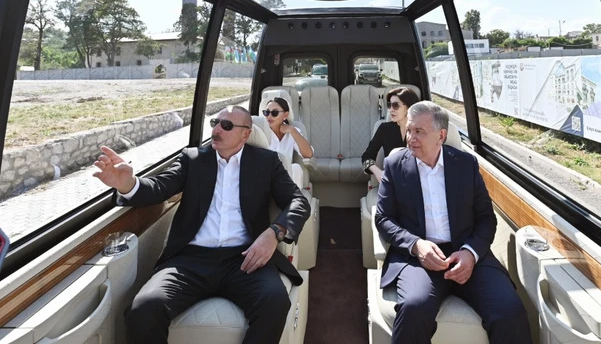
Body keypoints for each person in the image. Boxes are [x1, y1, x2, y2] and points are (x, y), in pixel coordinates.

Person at [93, 105, 310, 344]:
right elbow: (159, 187)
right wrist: (127, 184)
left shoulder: (267, 162)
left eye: (226, 126)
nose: (217, 130)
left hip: (245, 258)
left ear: (245, 134)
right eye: (215, 123)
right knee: (144, 308)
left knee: (275, 301)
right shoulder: (193, 159)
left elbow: (297, 201)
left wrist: (274, 233)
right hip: (190, 261)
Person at [375, 101, 532, 344]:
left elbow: (486, 218)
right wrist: (416, 245)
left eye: (419, 132)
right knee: (414, 308)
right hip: (418, 259)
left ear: (441, 135)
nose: (410, 138)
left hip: (466, 252)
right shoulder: (395, 166)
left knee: (510, 311)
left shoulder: (465, 164)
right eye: (409, 130)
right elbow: (383, 218)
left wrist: (470, 253)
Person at [361, 87, 420, 183]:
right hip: (391, 182)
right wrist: (379, 173)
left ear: (409, 107)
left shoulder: (421, 130)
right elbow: (366, 158)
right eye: (389, 105)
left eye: (395, 105)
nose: (391, 110)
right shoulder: (384, 129)